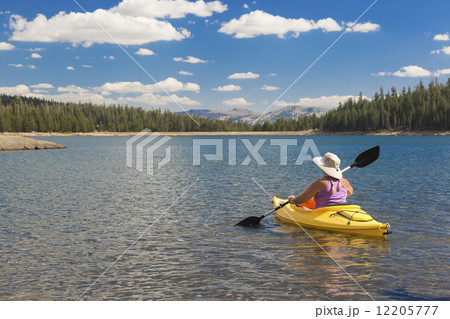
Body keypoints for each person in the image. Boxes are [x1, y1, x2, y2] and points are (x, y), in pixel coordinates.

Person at [288, 152, 353, 209]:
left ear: (323, 169)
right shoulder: (344, 181)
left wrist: (292, 200)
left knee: (303, 208)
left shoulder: (320, 183)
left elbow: (300, 199)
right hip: (341, 210)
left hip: (322, 213)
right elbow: (350, 193)